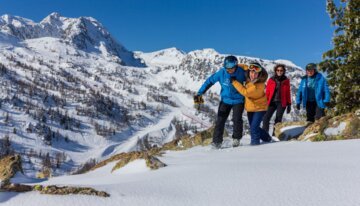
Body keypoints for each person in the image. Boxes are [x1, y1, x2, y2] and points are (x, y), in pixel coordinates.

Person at [194, 55, 246, 149]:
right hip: (225, 100)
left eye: (232, 67)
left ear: (236, 65)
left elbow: (253, 82)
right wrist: (198, 96)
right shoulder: (221, 73)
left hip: (238, 100)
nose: (230, 70)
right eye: (228, 67)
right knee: (220, 120)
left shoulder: (242, 73)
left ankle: (236, 139)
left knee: (237, 119)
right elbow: (209, 82)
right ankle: (217, 142)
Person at [231, 62, 272, 145]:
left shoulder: (258, 86)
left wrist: (234, 82)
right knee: (253, 126)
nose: (253, 75)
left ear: (259, 74)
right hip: (251, 107)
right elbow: (246, 67)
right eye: (252, 72)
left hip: (260, 108)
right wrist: (235, 65)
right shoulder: (250, 78)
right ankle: (267, 138)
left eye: (256, 73)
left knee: (253, 127)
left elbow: (245, 92)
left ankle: (255, 144)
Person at [262, 64, 292, 135]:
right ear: (275, 71)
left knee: (278, 120)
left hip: (281, 103)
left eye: (281, 70)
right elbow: (268, 92)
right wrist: (265, 102)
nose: (279, 72)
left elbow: (288, 92)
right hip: (271, 102)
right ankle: (265, 135)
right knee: (265, 118)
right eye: (278, 70)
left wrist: (289, 104)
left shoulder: (286, 81)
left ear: (283, 71)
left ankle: (275, 135)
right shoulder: (271, 80)